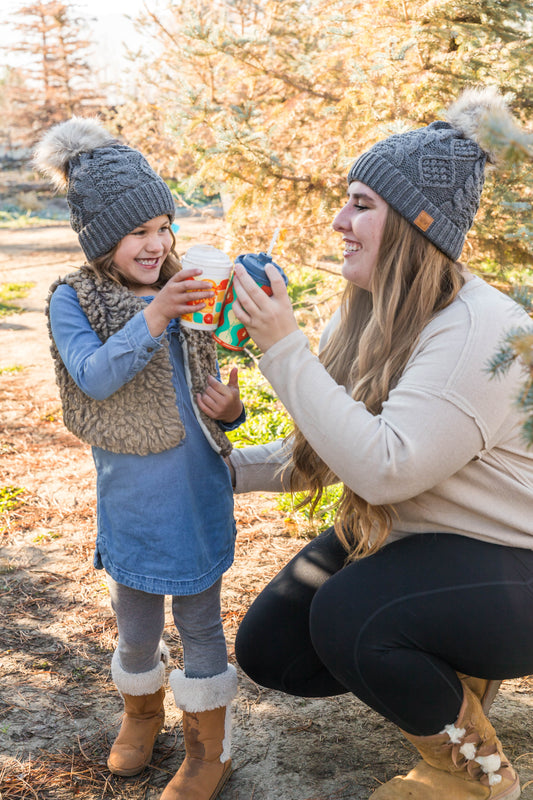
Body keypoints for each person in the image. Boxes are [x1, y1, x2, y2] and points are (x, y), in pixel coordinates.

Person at [227, 87, 533, 800]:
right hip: (423, 549)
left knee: (351, 613)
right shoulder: (367, 312)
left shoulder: (477, 331)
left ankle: (478, 776)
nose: (339, 221)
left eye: (361, 204)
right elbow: (331, 447)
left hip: (516, 566)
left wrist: (283, 350)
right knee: (272, 648)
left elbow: (383, 470)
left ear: (412, 225)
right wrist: (218, 470)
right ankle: (448, 674)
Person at [34, 117, 244, 800]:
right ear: (101, 238)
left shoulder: (188, 285)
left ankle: (208, 748)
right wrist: (155, 316)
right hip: (131, 499)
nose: (158, 244)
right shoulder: (74, 299)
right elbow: (94, 377)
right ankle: (142, 713)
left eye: (164, 227)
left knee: (201, 622)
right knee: (136, 626)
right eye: (138, 232)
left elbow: (215, 370)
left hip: (197, 491)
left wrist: (230, 410)